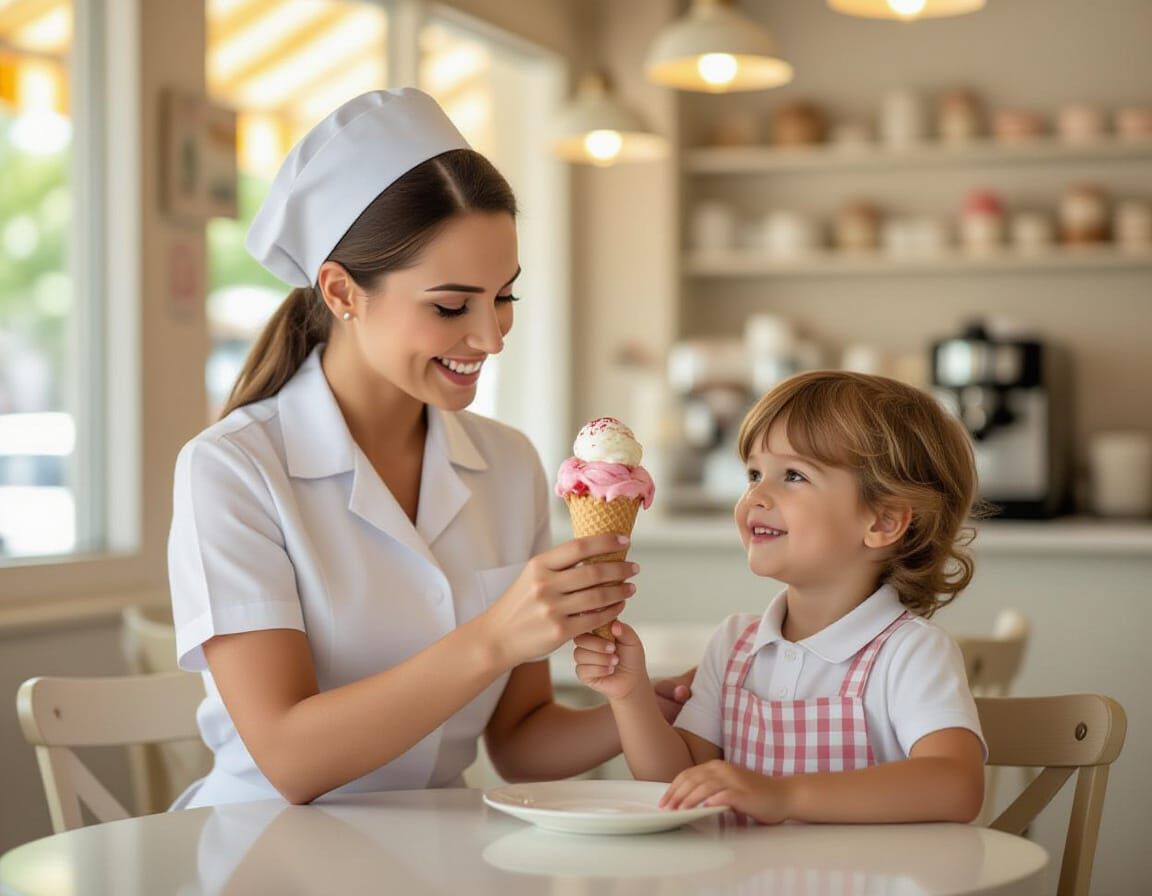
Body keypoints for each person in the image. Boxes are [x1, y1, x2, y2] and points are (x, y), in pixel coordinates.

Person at [168, 88, 687, 809]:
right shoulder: (234, 470)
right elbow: (290, 759)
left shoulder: (507, 464)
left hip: (432, 852)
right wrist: (494, 638)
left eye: (505, 296)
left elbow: (520, 742)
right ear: (342, 291)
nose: (491, 337)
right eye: (451, 306)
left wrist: (644, 706)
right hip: (262, 851)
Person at [574, 370, 987, 824]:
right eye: (753, 473)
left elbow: (956, 785)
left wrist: (785, 796)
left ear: (883, 522)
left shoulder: (910, 652)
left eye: (793, 475)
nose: (756, 495)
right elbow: (678, 784)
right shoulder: (734, 644)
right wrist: (632, 696)